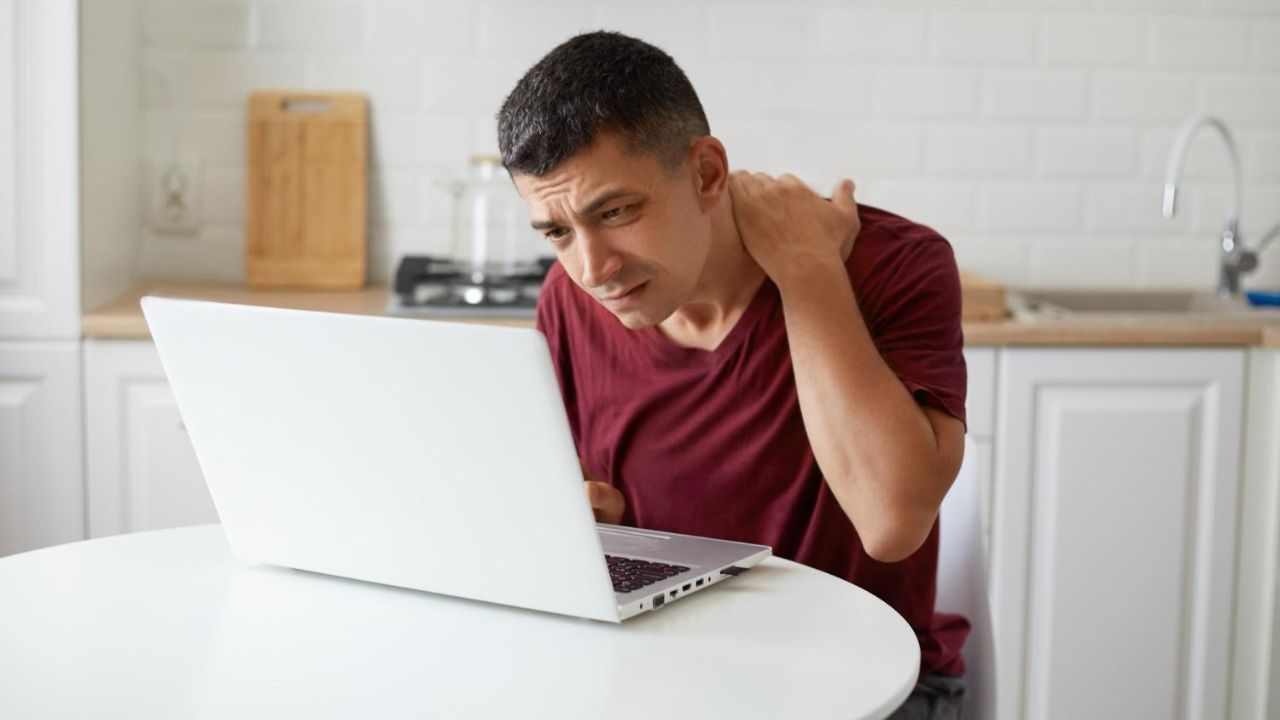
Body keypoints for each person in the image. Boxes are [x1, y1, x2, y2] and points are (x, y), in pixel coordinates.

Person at [497, 31, 969, 720]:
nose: (592, 269)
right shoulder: (569, 304)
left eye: (617, 211)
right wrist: (580, 517)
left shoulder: (893, 265)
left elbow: (891, 522)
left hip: (866, 687)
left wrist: (807, 271)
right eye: (557, 233)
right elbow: (577, 498)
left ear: (708, 174)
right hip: (665, 681)